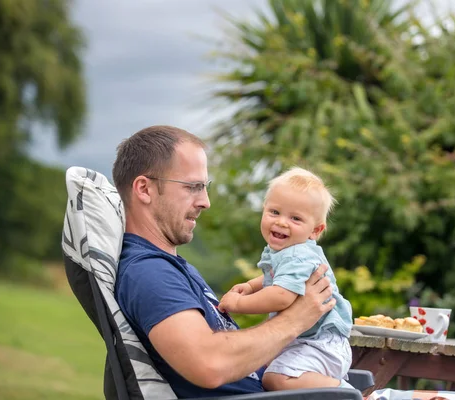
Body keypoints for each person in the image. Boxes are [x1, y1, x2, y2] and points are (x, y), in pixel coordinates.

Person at [112, 125, 337, 398]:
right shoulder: (148, 272)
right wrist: (297, 319)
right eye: (193, 187)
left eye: (205, 187)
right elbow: (209, 364)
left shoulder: (172, 267)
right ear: (144, 189)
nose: (206, 201)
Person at [218, 167, 354, 391]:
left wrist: (239, 304)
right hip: (303, 340)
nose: (281, 222)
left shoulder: (298, 254)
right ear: (263, 210)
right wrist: (251, 286)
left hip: (320, 343)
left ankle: (346, 394)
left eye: (295, 218)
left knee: (276, 379)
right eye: (274, 212)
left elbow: (281, 296)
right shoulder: (284, 252)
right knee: (265, 370)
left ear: (315, 230)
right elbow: (275, 279)